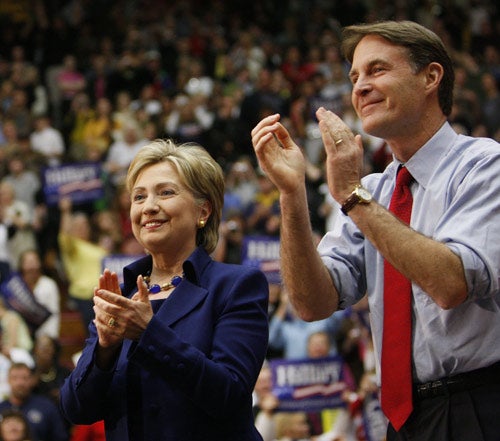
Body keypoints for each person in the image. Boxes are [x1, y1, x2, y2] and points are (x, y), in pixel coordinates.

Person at [251, 20, 500, 441]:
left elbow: (451, 282)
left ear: (430, 77)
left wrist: (351, 194)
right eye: (355, 77)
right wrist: (291, 194)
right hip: (400, 420)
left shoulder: (484, 164)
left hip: (479, 405)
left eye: (377, 70)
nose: (360, 86)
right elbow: (313, 302)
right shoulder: (376, 191)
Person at [60, 139, 269, 440]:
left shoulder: (236, 286)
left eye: (166, 192)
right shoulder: (120, 295)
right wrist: (104, 349)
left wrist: (149, 333)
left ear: (204, 211)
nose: (149, 207)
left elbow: (229, 395)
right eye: (139, 197)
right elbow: (76, 409)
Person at [0, 363, 68, 441]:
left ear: (31, 380)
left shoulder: (46, 406)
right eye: (15, 378)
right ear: (8, 380)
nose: (20, 383)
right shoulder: (1, 408)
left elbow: (61, 437)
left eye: (25, 378)